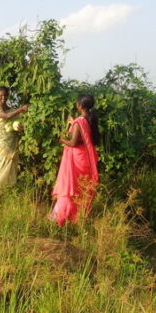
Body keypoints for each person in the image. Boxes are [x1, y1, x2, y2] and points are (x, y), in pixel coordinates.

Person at [51, 93, 100, 225]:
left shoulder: (80, 122)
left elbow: (73, 142)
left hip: (77, 159)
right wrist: (73, 123)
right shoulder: (88, 120)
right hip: (84, 159)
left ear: (79, 105)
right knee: (80, 189)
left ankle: (61, 217)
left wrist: (60, 138)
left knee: (69, 188)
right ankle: (79, 218)